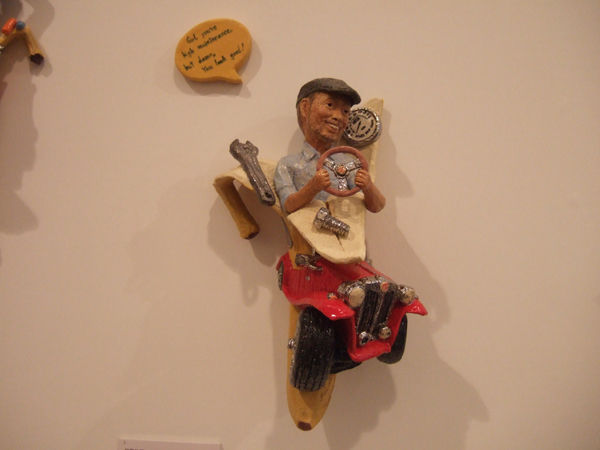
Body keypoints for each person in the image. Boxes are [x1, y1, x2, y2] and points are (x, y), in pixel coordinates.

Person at [274, 78, 386, 215]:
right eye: (330, 105)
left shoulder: (347, 164)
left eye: (345, 111)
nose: (338, 117)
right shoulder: (288, 165)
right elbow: (288, 206)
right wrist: (312, 187)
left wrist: (368, 186)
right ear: (305, 108)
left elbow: (377, 206)